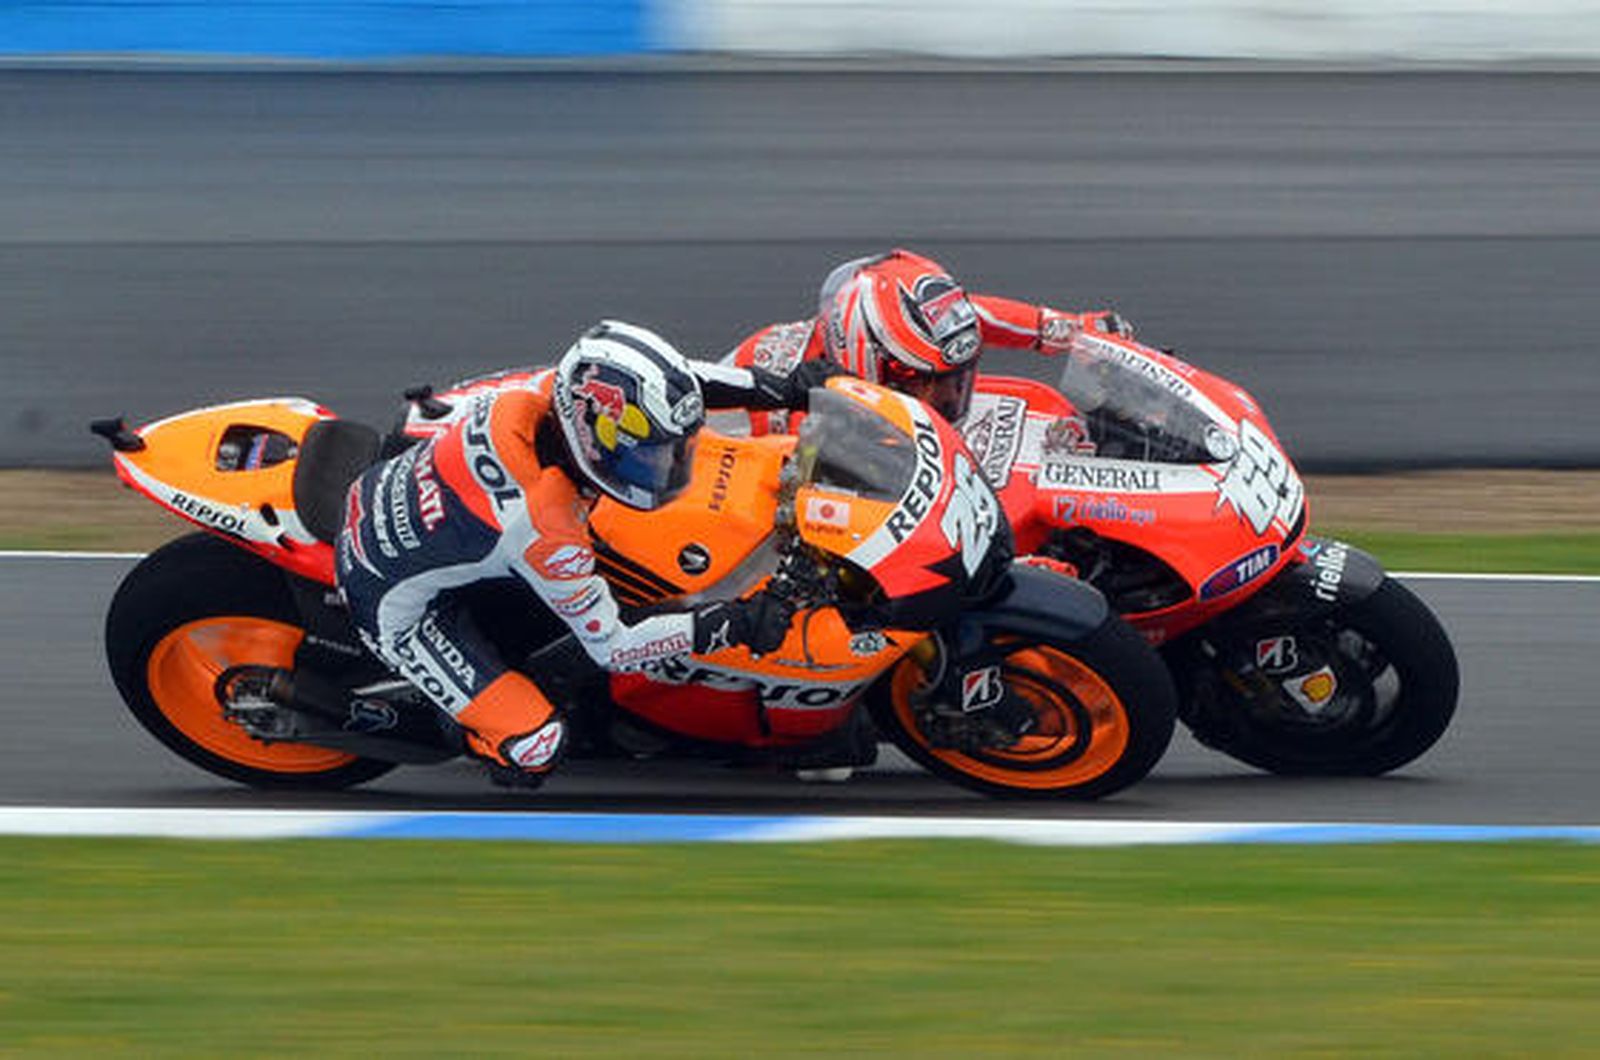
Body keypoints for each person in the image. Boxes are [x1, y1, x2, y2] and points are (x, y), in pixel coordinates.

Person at [335, 320, 829, 786]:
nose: (667, 467)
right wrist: (736, 622)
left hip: (419, 507)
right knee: (536, 745)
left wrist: (785, 386)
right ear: (593, 440)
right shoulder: (544, 524)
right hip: (393, 602)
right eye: (648, 456)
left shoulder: (556, 392)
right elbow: (614, 647)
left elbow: (686, 381)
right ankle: (463, 727)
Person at [717, 247, 1132, 434]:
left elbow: (973, 316)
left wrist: (1072, 331)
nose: (950, 397)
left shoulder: (891, 337)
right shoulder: (796, 416)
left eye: (956, 383)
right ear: (870, 368)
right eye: (926, 387)